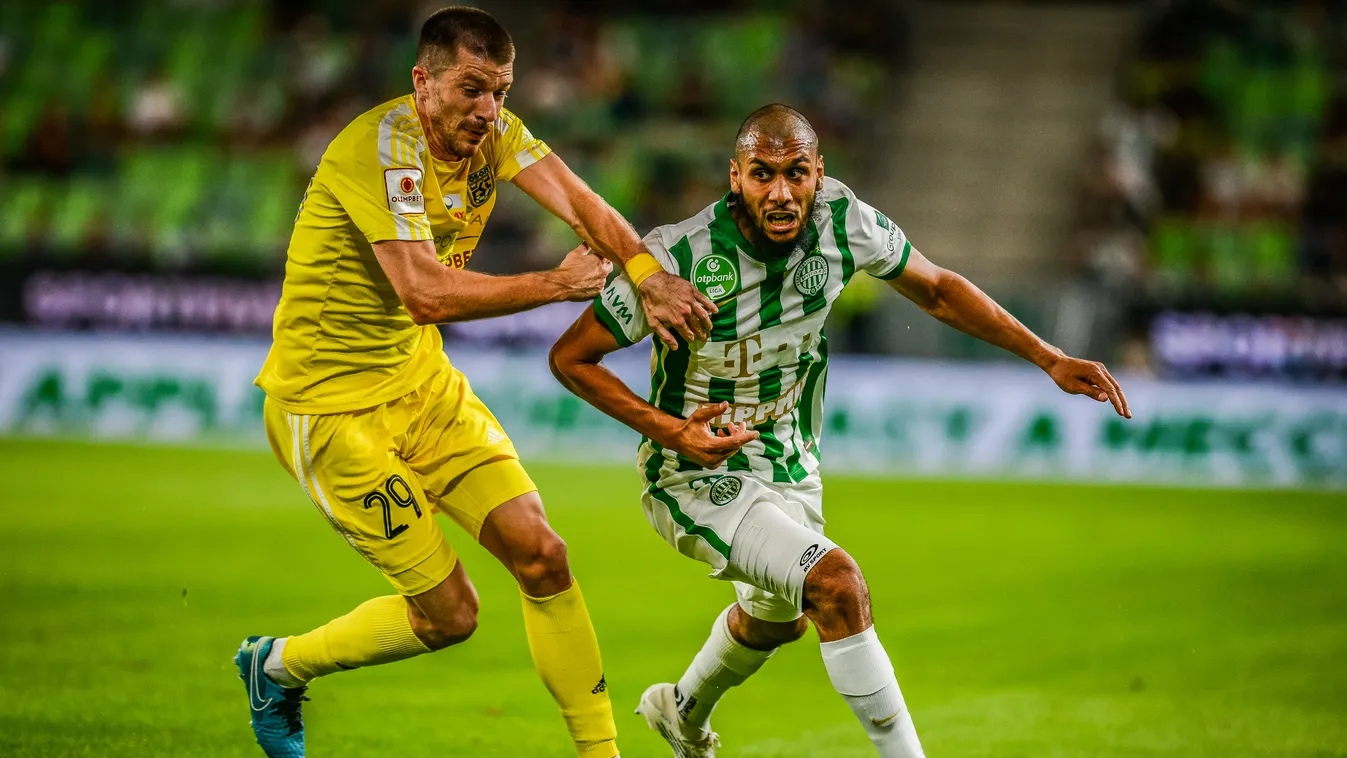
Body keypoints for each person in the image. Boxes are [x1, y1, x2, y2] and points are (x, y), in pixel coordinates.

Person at [548, 104, 1131, 757]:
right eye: (762, 174)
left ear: (817, 174)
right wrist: (671, 432)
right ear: (734, 177)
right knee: (834, 583)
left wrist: (1048, 357)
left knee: (775, 622)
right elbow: (570, 357)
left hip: (790, 457)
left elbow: (935, 289)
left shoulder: (844, 222)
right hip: (694, 472)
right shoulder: (676, 258)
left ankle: (680, 713)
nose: (780, 192)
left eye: (795, 174)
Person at [235, 7, 715, 758]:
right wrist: (554, 285)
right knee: (449, 617)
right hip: (329, 411)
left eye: (499, 90)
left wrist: (648, 276)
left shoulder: (495, 135)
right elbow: (424, 294)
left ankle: (601, 754)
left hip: (419, 382)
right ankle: (277, 667)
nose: (487, 110)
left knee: (543, 554)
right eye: (470, 89)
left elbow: (582, 202)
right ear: (423, 82)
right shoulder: (378, 150)